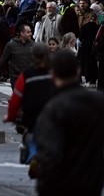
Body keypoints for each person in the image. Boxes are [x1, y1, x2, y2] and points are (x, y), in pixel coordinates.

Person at [30, 49, 104, 195]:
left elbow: (50, 154)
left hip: (61, 185)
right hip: (92, 183)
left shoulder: (54, 107)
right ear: (77, 71)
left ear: (53, 73)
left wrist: (43, 185)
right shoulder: (98, 102)